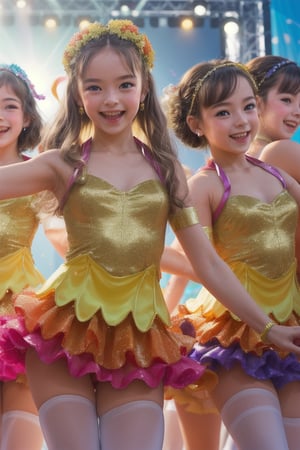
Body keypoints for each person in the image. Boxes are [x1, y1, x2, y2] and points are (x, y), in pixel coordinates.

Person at [0, 23, 299, 450]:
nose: (111, 99)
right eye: (95, 87)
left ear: (143, 88)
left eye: (124, 84)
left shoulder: (167, 170)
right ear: (78, 95)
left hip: (138, 337)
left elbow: (208, 263)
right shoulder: (60, 164)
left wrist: (267, 329)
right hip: (63, 329)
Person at [162, 58, 300, 450]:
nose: (241, 121)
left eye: (248, 107)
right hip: (233, 336)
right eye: (223, 112)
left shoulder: (278, 174)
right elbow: (205, 265)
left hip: (290, 326)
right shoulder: (201, 187)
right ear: (195, 123)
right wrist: (266, 327)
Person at [0, 64, 65, 450]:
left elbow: (62, 234)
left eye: (8, 106)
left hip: (18, 311)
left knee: (18, 436)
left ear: (26, 117)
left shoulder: (37, 173)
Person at [246, 55, 300, 280]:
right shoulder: (279, 151)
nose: (297, 111)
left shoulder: (226, 165)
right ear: (257, 103)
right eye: (287, 100)